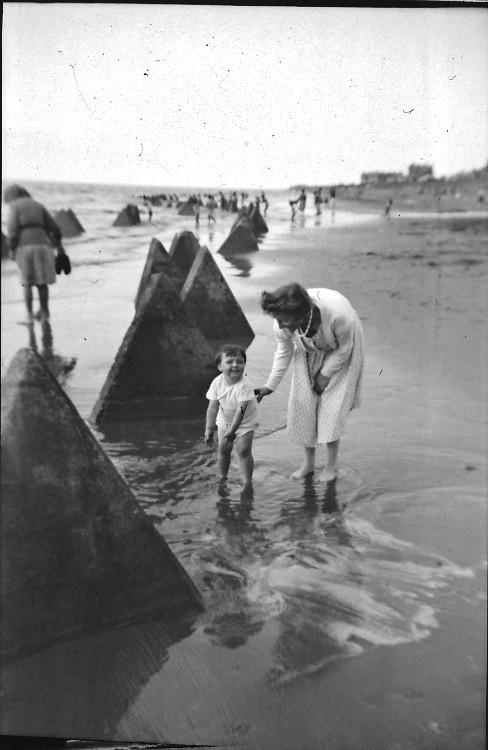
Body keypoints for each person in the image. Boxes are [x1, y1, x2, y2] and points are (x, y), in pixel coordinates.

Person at [255, 283, 364, 483]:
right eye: (277, 319)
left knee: (332, 408)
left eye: (284, 320)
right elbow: (284, 351)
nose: (280, 325)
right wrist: (270, 386)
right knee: (305, 403)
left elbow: (344, 349)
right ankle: (308, 464)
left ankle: (330, 466)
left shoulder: (339, 316)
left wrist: (324, 375)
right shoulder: (282, 324)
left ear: (302, 314)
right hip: (307, 346)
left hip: (341, 347)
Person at [4, 183, 66, 322]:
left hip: (25, 247)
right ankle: (45, 312)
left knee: (27, 283)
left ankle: (30, 315)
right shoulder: (38, 205)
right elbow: (55, 228)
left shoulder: (15, 206)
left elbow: (12, 230)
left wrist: (11, 248)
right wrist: (58, 246)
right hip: (44, 246)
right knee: (42, 282)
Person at [205, 344, 259, 494]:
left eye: (240, 362)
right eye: (229, 362)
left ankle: (247, 482)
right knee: (223, 450)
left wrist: (232, 432)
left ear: (244, 365)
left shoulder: (245, 385)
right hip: (225, 419)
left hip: (246, 421)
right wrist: (209, 428)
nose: (235, 365)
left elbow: (240, 411)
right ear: (219, 367)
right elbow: (212, 407)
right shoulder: (217, 382)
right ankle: (223, 477)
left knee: (243, 450)